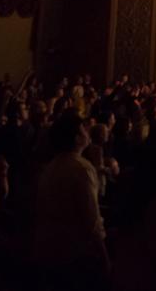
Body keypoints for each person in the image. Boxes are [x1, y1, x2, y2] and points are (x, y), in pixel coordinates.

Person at [33, 110, 109, 290]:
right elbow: (91, 222)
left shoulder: (51, 167)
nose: (87, 131)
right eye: (83, 128)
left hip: (50, 250)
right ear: (76, 138)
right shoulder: (82, 169)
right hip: (74, 254)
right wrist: (104, 257)